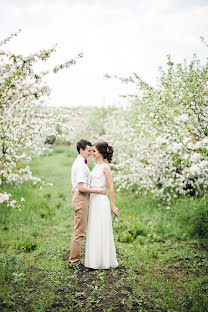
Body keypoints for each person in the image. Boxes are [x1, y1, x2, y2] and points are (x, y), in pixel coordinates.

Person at [69, 139, 106, 270]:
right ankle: (74, 263)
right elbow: (81, 188)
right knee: (79, 232)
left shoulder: (81, 163)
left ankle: (75, 260)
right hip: (81, 198)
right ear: (81, 151)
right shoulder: (80, 165)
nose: (90, 153)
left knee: (79, 230)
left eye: (92, 150)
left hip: (81, 198)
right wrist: (98, 190)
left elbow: (76, 187)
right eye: (88, 150)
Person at [85, 141, 119, 269]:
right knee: (93, 228)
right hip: (93, 200)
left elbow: (111, 188)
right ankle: (93, 260)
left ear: (100, 152)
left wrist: (113, 206)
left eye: (94, 151)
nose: (92, 153)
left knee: (101, 229)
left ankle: (104, 261)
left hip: (101, 201)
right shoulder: (96, 166)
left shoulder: (105, 167)